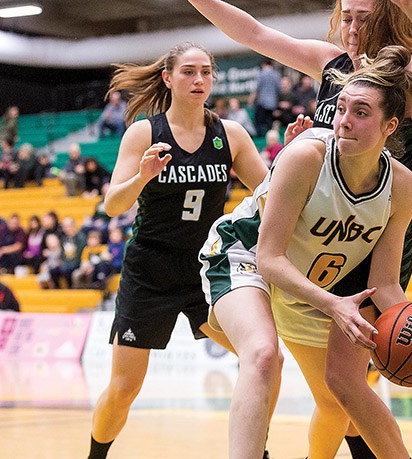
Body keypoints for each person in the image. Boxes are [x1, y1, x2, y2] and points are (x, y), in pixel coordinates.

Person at [186, 1, 412, 455]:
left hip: (369, 228)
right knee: (283, 363)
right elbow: (254, 33)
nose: (350, 28)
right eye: (346, 16)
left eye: (363, 18)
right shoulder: (330, 69)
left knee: (342, 390)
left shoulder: (407, 77)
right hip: (304, 225)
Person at [86, 41, 272, 459]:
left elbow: (271, 196)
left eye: (206, 71)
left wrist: (291, 154)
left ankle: (256, 452)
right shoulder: (145, 132)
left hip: (206, 271)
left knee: (263, 359)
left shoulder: (232, 135)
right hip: (150, 269)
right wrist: (142, 177)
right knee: (124, 388)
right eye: (189, 71)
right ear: (168, 78)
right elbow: (112, 203)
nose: (199, 79)